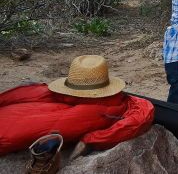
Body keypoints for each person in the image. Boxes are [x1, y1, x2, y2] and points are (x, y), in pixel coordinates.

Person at [0, 54, 154, 168]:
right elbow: (141, 116)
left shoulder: (100, 108)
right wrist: (91, 139)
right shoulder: (116, 106)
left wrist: (92, 139)